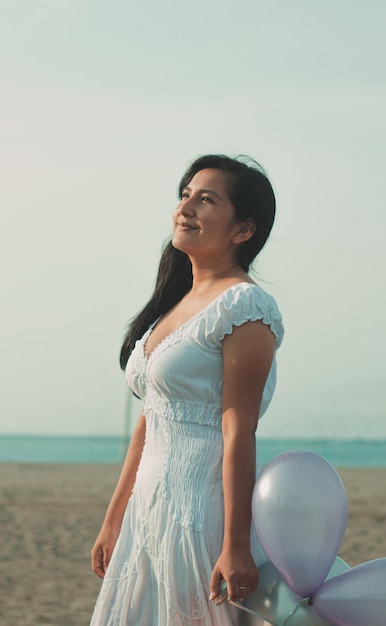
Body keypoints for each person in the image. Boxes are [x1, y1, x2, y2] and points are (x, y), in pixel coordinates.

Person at [90, 154, 284, 625]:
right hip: (147, 511)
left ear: (242, 230)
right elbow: (151, 419)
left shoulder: (244, 305)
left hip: (200, 513)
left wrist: (235, 544)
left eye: (206, 199)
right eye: (184, 195)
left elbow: (239, 428)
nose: (186, 207)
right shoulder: (171, 307)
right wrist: (115, 516)